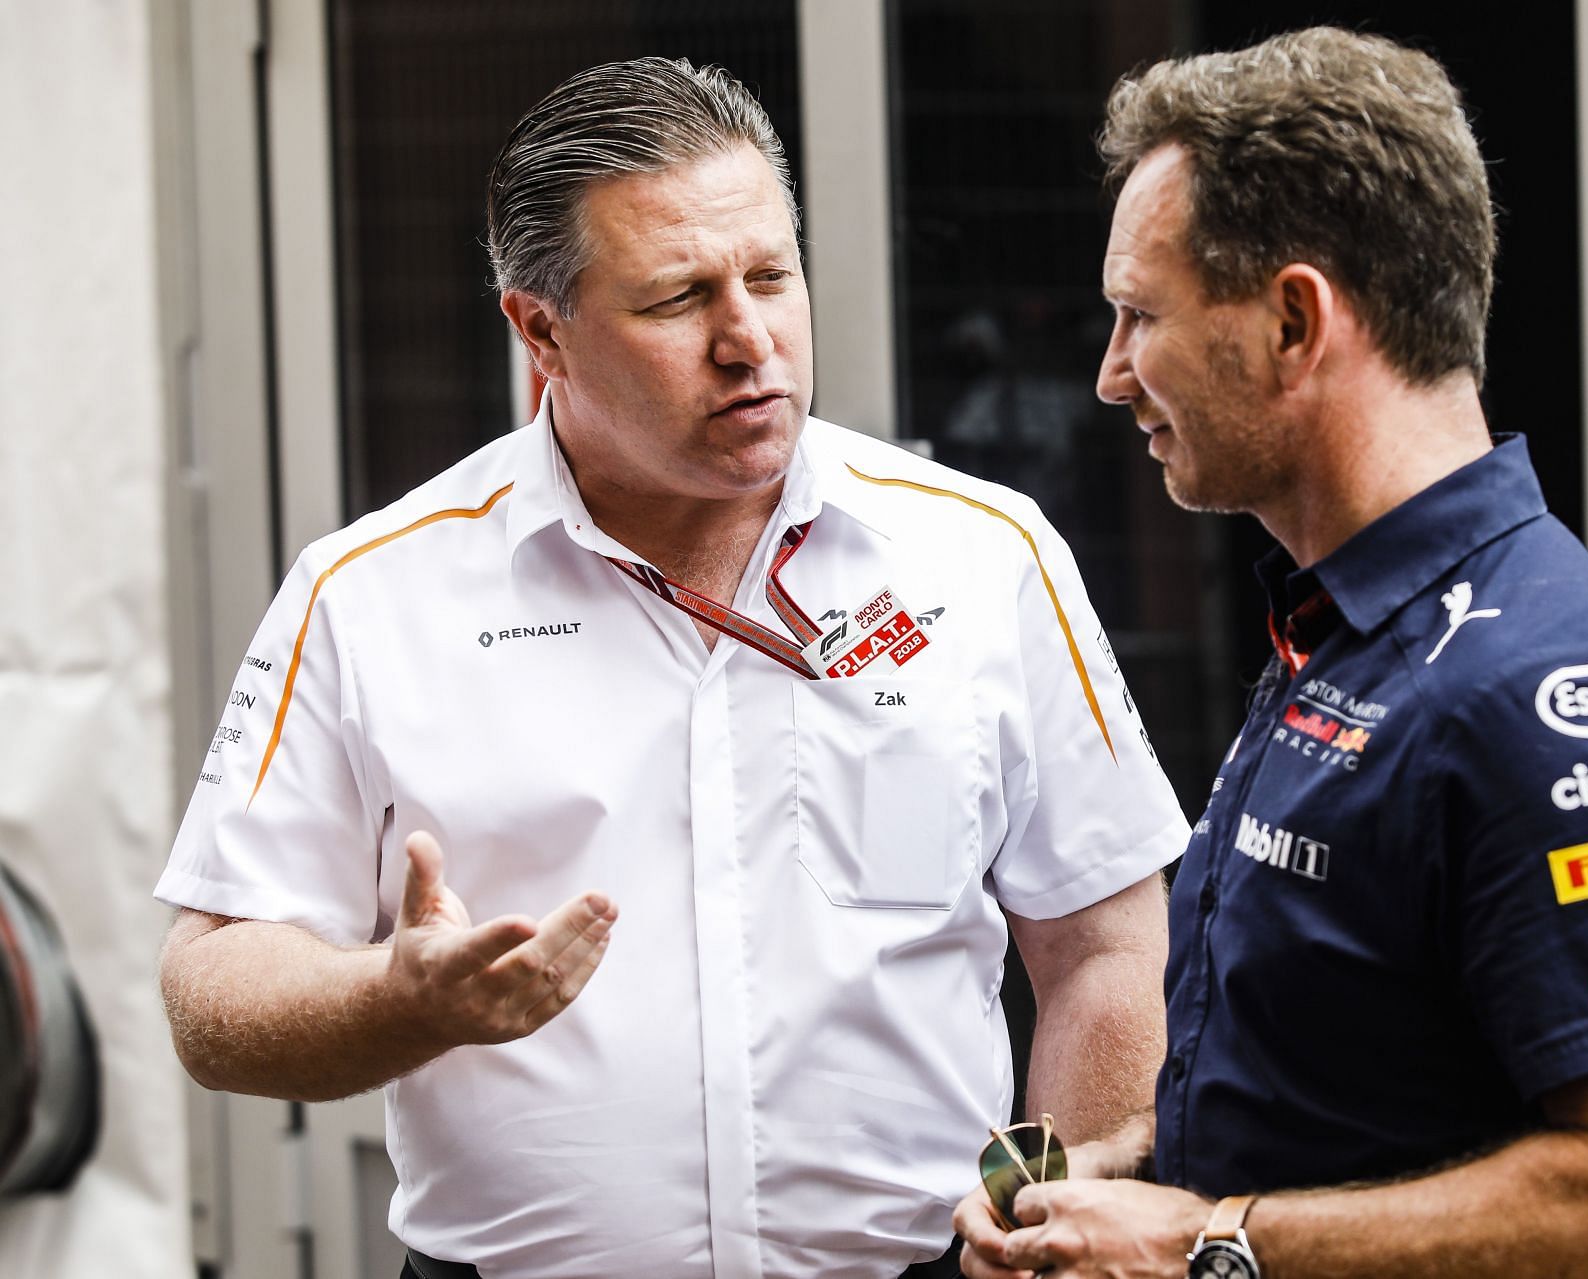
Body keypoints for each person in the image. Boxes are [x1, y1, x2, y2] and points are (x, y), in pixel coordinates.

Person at [155, 57, 1187, 1279]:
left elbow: (1104, 947)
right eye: (677, 299)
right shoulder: (370, 594)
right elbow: (212, 984)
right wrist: (398, 1000)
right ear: (542, 331)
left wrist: (1043, 1215)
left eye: (770, 276)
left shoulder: (982, 551)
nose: (749, 340)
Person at [955, 27, 1588, 1279]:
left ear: (1292, 320)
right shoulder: (1349, 626)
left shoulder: (1538, 689)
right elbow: (1351, 1093)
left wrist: (1206, 1244)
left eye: (1140, 316)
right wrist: (1130, 1174)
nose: (1111, 377)